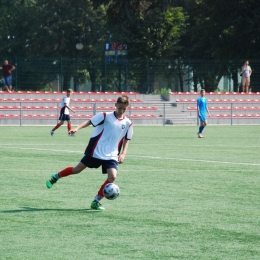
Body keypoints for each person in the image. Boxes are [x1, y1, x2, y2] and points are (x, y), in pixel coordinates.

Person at [46, 95, 133, 210]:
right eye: (120, 108)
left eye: (124, 109)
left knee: (112, 177)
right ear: (115, 105)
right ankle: (56, 176)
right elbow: (89, 122)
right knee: (76, 170)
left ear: (127, 108)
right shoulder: (105, 116)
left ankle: (96, 201)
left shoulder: (128, 123)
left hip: (112, 154)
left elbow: (127, 139)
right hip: (96, 150)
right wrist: (77, 128)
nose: (121, 111)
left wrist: (123, 153)